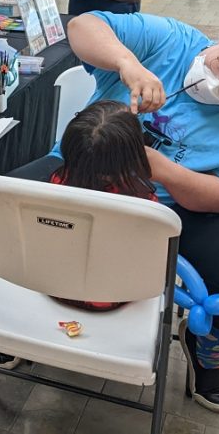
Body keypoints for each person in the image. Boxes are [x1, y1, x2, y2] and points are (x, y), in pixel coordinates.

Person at [3, 11, 219, 413]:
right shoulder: (172, 41)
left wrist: (160, 169)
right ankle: (14, 315)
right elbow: (82, 26)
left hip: (171, 202)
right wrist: (129, 63)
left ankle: (207, 354)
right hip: (78, 169)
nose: (217, 82)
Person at [50, 100, 158, 312]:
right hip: (114, 296)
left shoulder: (56, 183)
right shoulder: (146, 204)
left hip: (53, 286)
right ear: (134, 154)